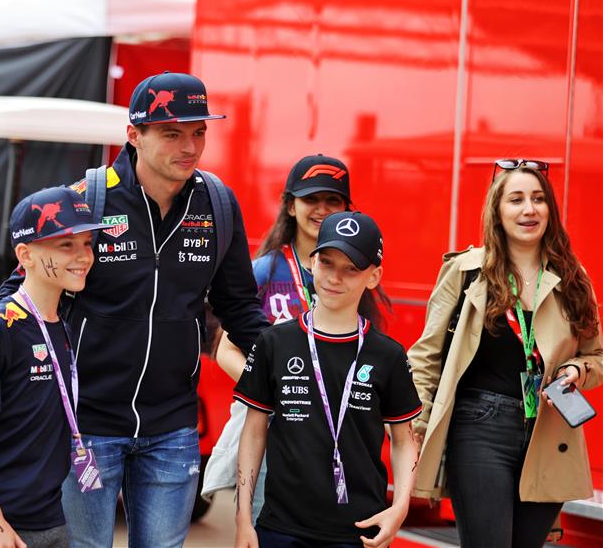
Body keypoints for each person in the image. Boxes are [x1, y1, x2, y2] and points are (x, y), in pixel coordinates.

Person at [0, 71, 269, 547]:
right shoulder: (88, 201)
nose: (189, 146)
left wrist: (293, 367)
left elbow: (240, 308)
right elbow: (22, 294)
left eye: (199, 131)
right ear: (134, 134)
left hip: (173, 428)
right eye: (171, 133)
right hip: (86, 425)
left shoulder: (218, 204)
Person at [408, 159, 603, 548]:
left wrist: (577, 371)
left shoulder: (573, 277)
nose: (529, 210)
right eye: (516, 199)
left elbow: (596, 356)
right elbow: (425, 357)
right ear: (497, 210)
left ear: (550, 209)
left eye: (538, 199)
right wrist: (414, 430)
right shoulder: (466, 270)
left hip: (549, 430)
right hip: (480, 426)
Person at [202, 154, 391, 521]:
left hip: (334, 428)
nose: (321, 209)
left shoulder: (353, 272)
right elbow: (224, 348)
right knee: (266, 522)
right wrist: (271, 390)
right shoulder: (266, 269)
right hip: (274, 425)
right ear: (291, 206)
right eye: (311, 199)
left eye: (333, 200)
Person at [234, 211, 421, 548]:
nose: (336, 277)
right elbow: (253, 432)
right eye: (327, 263)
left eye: (351, 269)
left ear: (374, 276)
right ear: (312, 264)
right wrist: (243, 520)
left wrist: (400, 507)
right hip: (280, 529)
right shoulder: (274, 342)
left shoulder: (388, 355)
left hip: (359, 531)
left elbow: (405, 440)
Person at [0, 187, 111, 548]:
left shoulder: (61, 325)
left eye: (86, 243)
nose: (83, 256)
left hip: (49, 516)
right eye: (66, 245)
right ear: (26, 255)